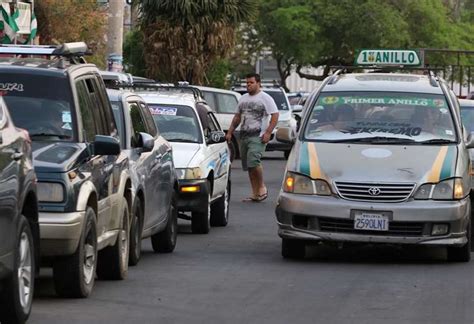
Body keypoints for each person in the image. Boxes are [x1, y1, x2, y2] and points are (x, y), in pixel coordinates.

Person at [226, 73, 279, 202]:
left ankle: (262, 188)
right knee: (249, 165)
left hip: (258, 136)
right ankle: (255, 193)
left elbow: (275, 115)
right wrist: (230, 132)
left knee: (254, 160)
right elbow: (237, 117)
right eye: (247, 83)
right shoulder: (243, 98)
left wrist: (268, 132)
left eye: (251, 83)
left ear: (258, 83)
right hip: (244, 135)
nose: (248, 85)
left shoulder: (265, 98)